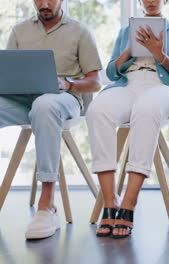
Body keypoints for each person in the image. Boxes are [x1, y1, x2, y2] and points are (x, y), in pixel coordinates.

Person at [86, 0, 169, 238]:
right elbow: (112, 72)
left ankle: (129, 204)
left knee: (146, 109)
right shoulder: (125, 32)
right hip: (129, 85)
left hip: (164, 87)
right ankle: (110, 202)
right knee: (97, 110)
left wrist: (159, 55)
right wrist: (129, 51)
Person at [2, 0, 102, 239]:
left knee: (44, 105)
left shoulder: (79, 31)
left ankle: (47, 204)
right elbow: (5, 71)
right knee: (37, 105)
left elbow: (95, 82)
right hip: (23, 100)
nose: (44, 3)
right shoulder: (19, 31)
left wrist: (68, 83)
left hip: (64, 99)